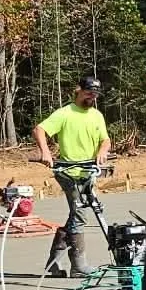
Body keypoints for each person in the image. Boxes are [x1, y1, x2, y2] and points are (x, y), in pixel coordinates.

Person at [34, 74, 113, 277]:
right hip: (67, 171)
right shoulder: (65, 113)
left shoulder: (96, 115)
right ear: (78, 90)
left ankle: (53, 262)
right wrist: (45, 152)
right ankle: (79, 265)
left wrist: (103, 151)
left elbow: (105, 140)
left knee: (76, 215)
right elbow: (40, 130)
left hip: (87, 171)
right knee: (79, 213)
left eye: (94, 95)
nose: (91, 98)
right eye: (88, 93)